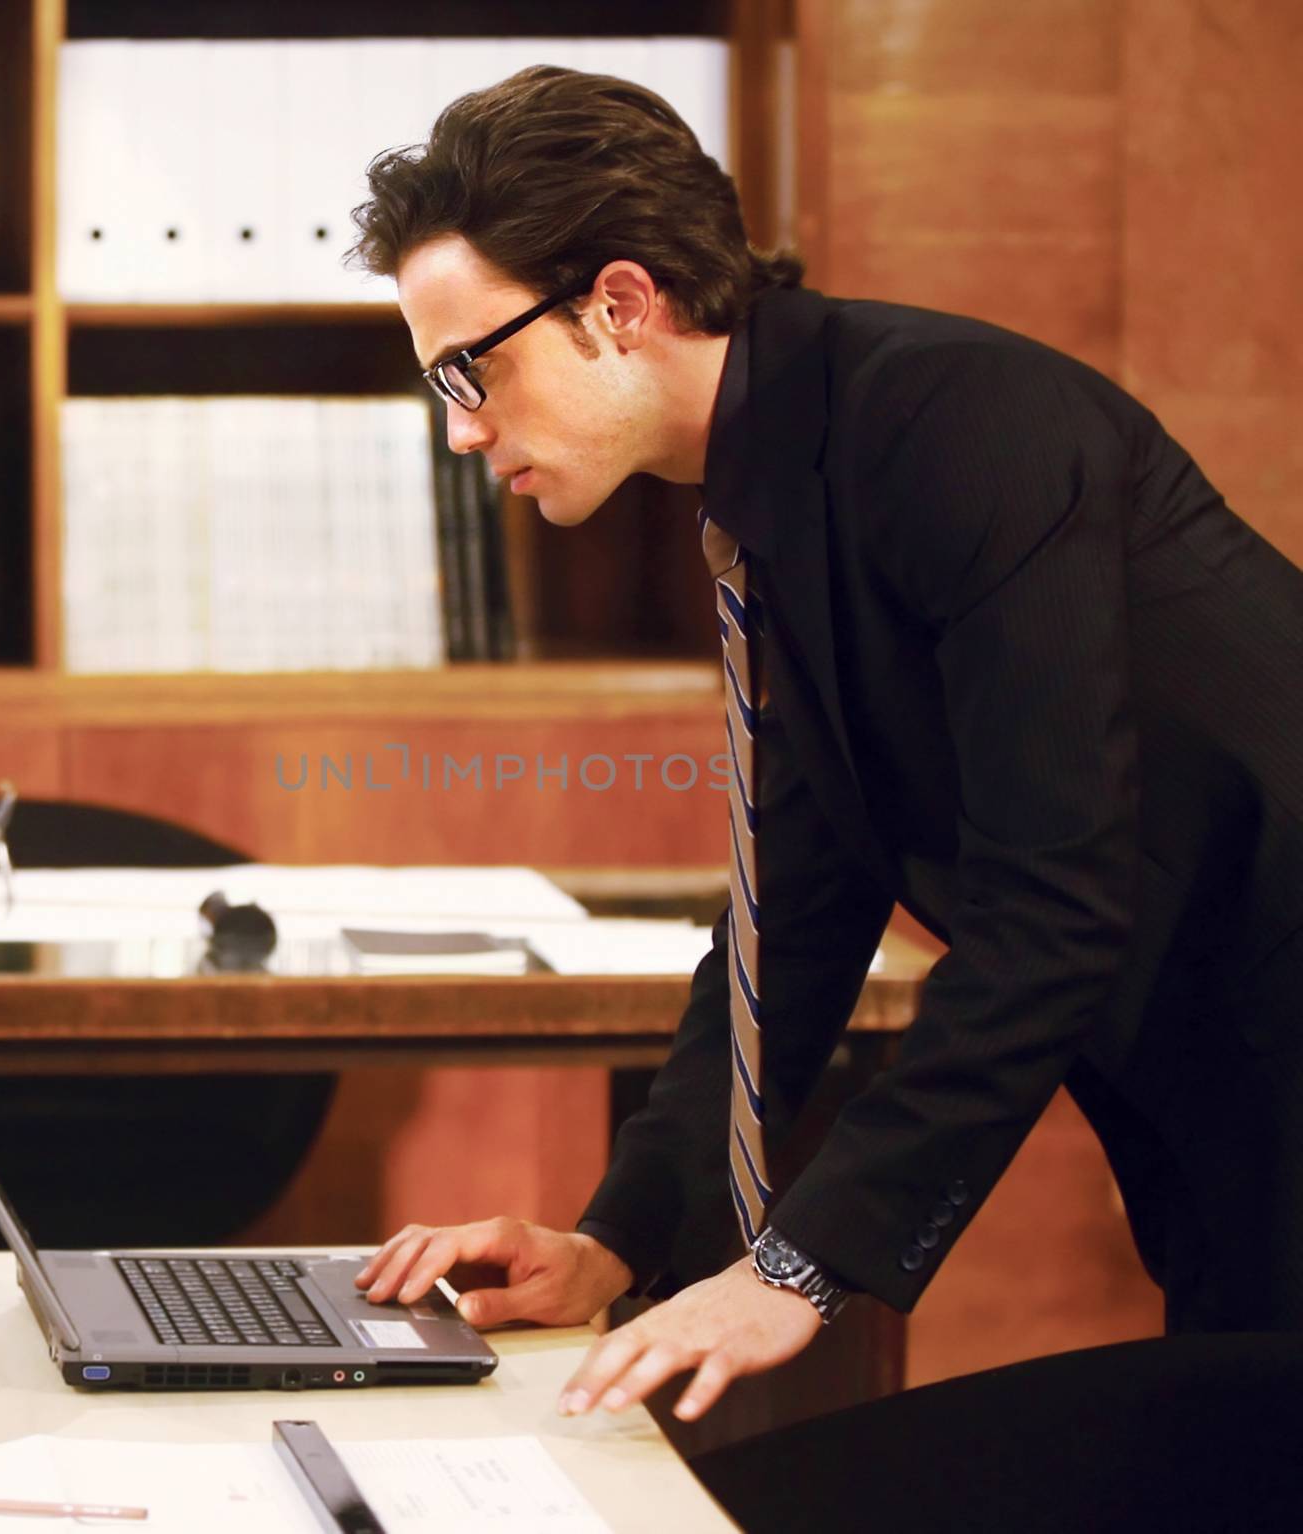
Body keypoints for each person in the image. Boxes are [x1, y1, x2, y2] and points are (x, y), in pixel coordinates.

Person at [346, 65, 1303, 1430]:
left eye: (469, 367)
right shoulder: (769, 489)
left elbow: (1058, 900)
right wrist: (619, 1237)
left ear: (618, 304)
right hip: (1218, 1090)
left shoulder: (954, 426)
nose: (460, 427)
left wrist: (804, 1264)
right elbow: (792, 911)